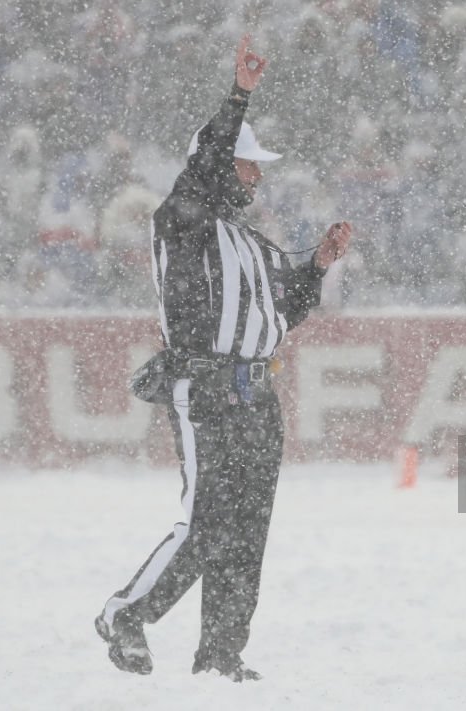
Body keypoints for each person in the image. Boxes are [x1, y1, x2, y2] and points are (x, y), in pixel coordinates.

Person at [94, 35, 352, 681]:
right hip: (204, 385)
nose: (256, 175)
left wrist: (316, 266)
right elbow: (206, 162)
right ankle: (126, 612)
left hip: (255, 392)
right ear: (218, 167)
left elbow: (280, 316)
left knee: (245, 531)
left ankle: (221, 653)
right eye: (247, 164)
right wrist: (239, 94)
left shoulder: (253, 243)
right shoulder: (181, 222)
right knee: (207, 520)